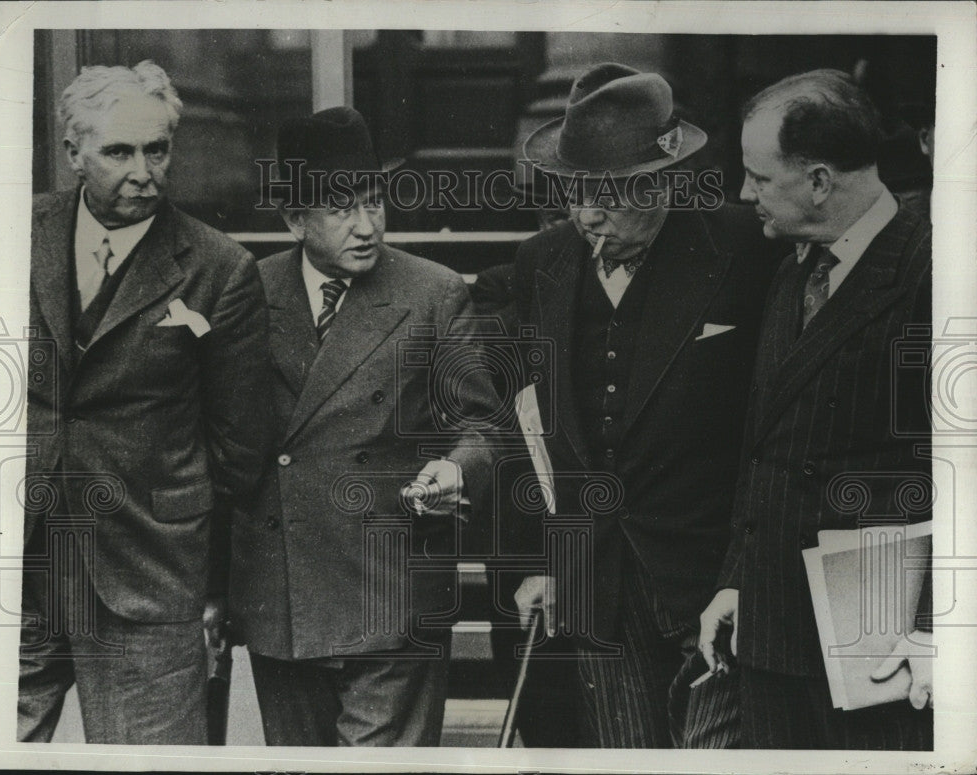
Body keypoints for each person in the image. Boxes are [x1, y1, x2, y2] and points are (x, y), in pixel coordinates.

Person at [509, 62, 779, 748]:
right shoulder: (539, 262)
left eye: (607, 194)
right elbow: (527, 426)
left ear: (663, 180)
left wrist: (744, 572)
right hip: (596, 584)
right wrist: (541, 559)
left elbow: (774, 422)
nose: (586, 215)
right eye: (574, 192)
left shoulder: (747, 249)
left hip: (711, 576)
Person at [229, 106, 501, 747]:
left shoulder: (432, 292)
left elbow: (483, 424)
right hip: (281, 591)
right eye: (340, 207)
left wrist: (456, 467)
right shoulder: (245, 291)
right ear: (295, 219)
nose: (366, 224)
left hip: (390, 586)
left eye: (374, 201)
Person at [20, 60, 272, 744]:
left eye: (156, 150)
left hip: (147, 576)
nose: (143, 171)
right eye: (118, 151)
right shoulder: (10, 235)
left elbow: (240, 447)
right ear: (73, 152)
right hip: (15, 565)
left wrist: (210, 585)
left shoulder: (219, 269)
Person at [698, 69, 933, 749]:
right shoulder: (795, 268)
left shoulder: (934, 269)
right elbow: (769, 447)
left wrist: (935, 627)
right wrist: (737, 583)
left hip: (884, 650)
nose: (746, 195)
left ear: (821, 181)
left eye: (760, 178)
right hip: (774, 636)